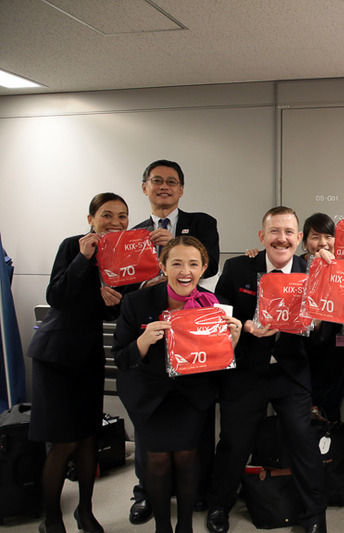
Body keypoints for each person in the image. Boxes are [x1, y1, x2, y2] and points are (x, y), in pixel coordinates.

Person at [206, 207, 328, 533]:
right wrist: (240, 326)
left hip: (291, 372)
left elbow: (326, 335)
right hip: (246, 371)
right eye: (274, 231)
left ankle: (314, 515)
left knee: (303, 441)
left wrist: (311, 324)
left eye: (289, 232)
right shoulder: (237, 268)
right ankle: (219, 505)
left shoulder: (313, 272)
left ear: (299, 238)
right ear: (262, 237)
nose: (282, 238)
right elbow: (218, 316)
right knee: (234, 442)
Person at [113, 236, 241, 533]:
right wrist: (143, 341)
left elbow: (219, 367)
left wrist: (231, 343)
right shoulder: (137, 301)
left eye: (193, 264)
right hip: (149, 396)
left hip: (191, 397)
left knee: (186, 459)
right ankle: (162, 527)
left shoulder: (213, 308)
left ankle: (184, 526)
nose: (185, 271)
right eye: (177, 263)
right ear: (163, 266)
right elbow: (121, 357)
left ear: (204, 268)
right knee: (156, 461)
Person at [27, 193, 130, 533]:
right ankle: (51, 518)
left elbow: (111, 311)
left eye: (122, 216)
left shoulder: (124, 256)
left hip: (88, 357)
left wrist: (114, 302)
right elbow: (56, 296)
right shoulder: (74, 245)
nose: (115, 222)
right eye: (107, 215)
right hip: (56, 356)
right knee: (63, 442)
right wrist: (84, 259)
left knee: (88, 439)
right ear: (91, 219)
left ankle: (85, 512)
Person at [129, 159, 221, 524]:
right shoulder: (132, 234)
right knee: (148, 429)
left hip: (191, 328)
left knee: (194, 428)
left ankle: (197, 490)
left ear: (181, 189)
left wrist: (175, 248)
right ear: (145, 188)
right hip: (150, 330)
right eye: (156, 181)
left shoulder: (201, 222)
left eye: (171, 182)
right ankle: (146, 494)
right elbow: (126, 286)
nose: (164, 187)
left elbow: (208, 266)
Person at [301, 212, 344, 421]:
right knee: (300, 402)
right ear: (304, 243)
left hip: (335, 343)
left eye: (328, 236)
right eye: (315, 237)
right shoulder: (294, 267)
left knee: (332, 399)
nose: (322, 243)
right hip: (301, 346)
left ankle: (330, 448)